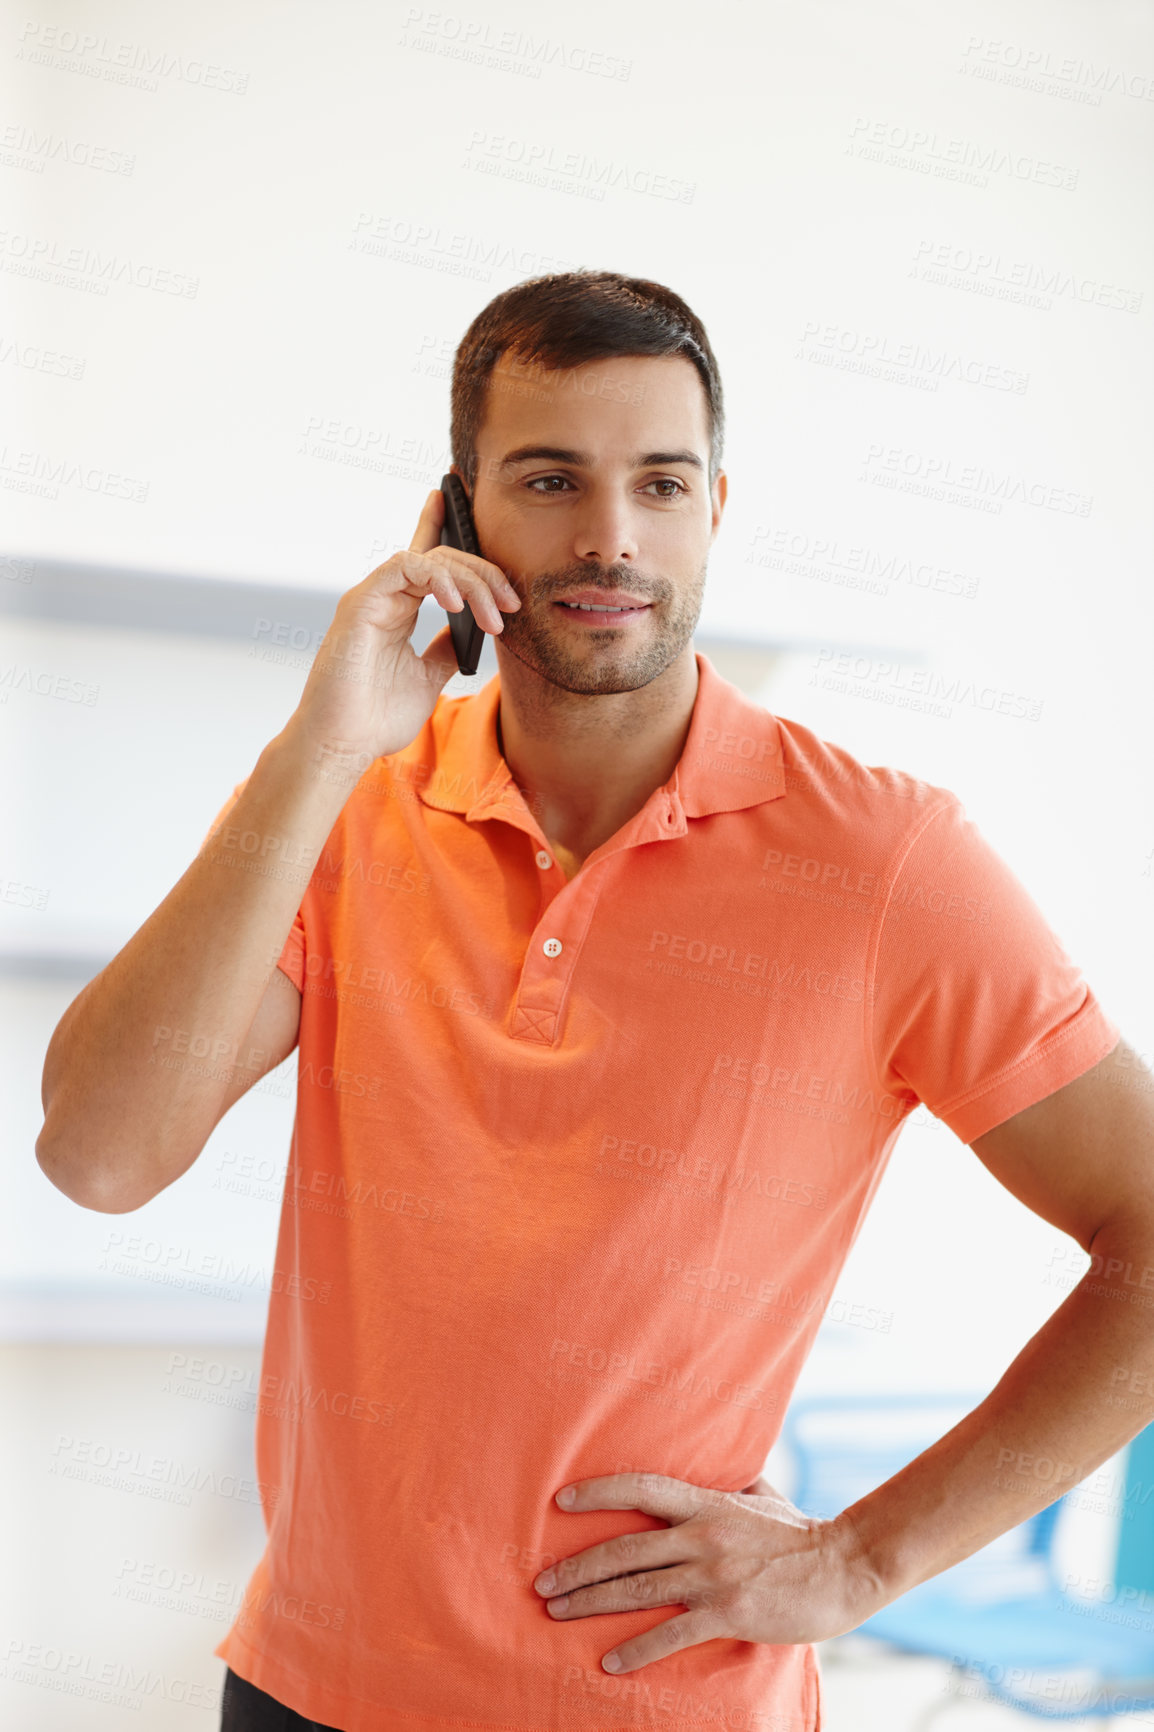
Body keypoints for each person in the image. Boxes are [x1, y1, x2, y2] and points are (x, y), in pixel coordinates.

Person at [36, 272, 1154, 1732]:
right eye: (550, 478)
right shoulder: (347, 809)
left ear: (714, 510)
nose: (609, 536)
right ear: (454, 519)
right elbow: (101, 1156)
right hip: (306, 1690)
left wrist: (855, 1562)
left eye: (660, 483)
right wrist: (317, 751)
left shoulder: (887, 860)